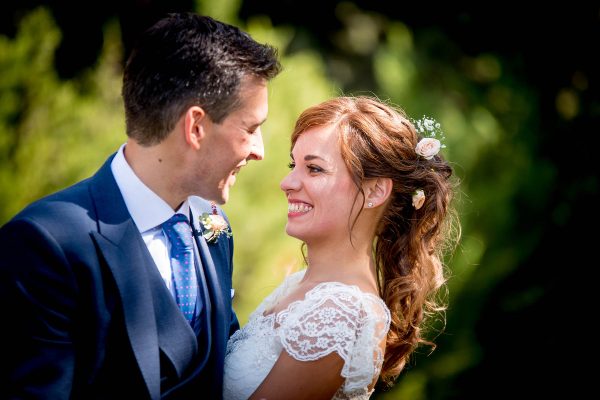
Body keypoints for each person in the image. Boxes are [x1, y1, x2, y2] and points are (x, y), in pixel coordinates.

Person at [0, 12, 280, 399]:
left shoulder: (214, 228)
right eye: (250, 128)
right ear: (195, 127)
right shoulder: (46, 245)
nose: (260, 151)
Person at [223, 96, 459, 399]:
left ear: (374, 190)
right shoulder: (303, 286)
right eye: (294, 165)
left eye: (315, 169)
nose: (287, 182)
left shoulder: (339, 311)